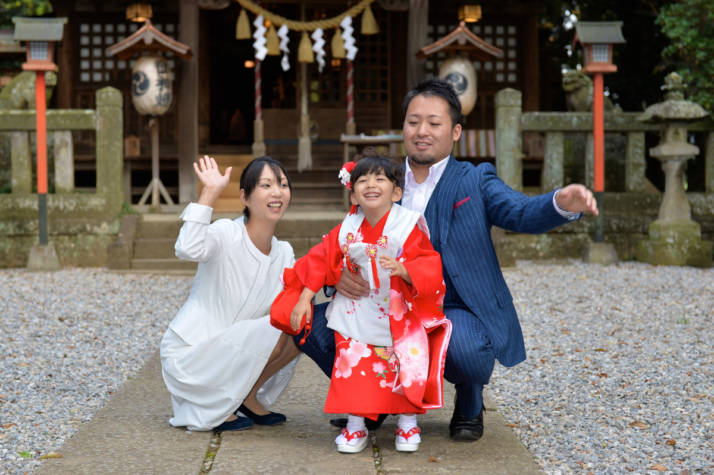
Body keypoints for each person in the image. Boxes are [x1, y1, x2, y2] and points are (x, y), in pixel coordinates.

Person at [294, 78, 599, 441]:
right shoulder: (379, 180)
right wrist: (338, 275)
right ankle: (371, 399)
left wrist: (560, 203)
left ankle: (469, 397)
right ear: (403, 126)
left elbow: (518, 211)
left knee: (466, 348)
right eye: (413, 121)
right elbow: (345, 241)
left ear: (455, 131)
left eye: (434, 123)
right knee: (308, 323)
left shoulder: (475, 179)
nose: (422, 131)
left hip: (452, 305)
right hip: (384, 304)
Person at [271, 156, 451, 453]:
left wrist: (405, 270)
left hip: (397, 313)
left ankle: (408, 423)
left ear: (396, 192)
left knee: (403, 367)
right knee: (354, 369)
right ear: (353, 194)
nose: (371, 184)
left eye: (380, 179)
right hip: (356, 312)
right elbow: (319, 260)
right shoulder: (347, 228)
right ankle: (356, 426)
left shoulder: (407, 225)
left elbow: (429, 263)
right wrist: (305, 297)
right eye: (363, 180)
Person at [160, 155, 301, 432]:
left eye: (283, 185)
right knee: (276, 328)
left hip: (235, 349)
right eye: (266, 185)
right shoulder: (227, 232)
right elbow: (187, 249)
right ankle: (219, 402)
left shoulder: (284, 252)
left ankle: (247, 396)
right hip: (192, 353)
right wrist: (210, 193)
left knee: (301, 325)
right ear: (245, 197)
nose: (277, 192)